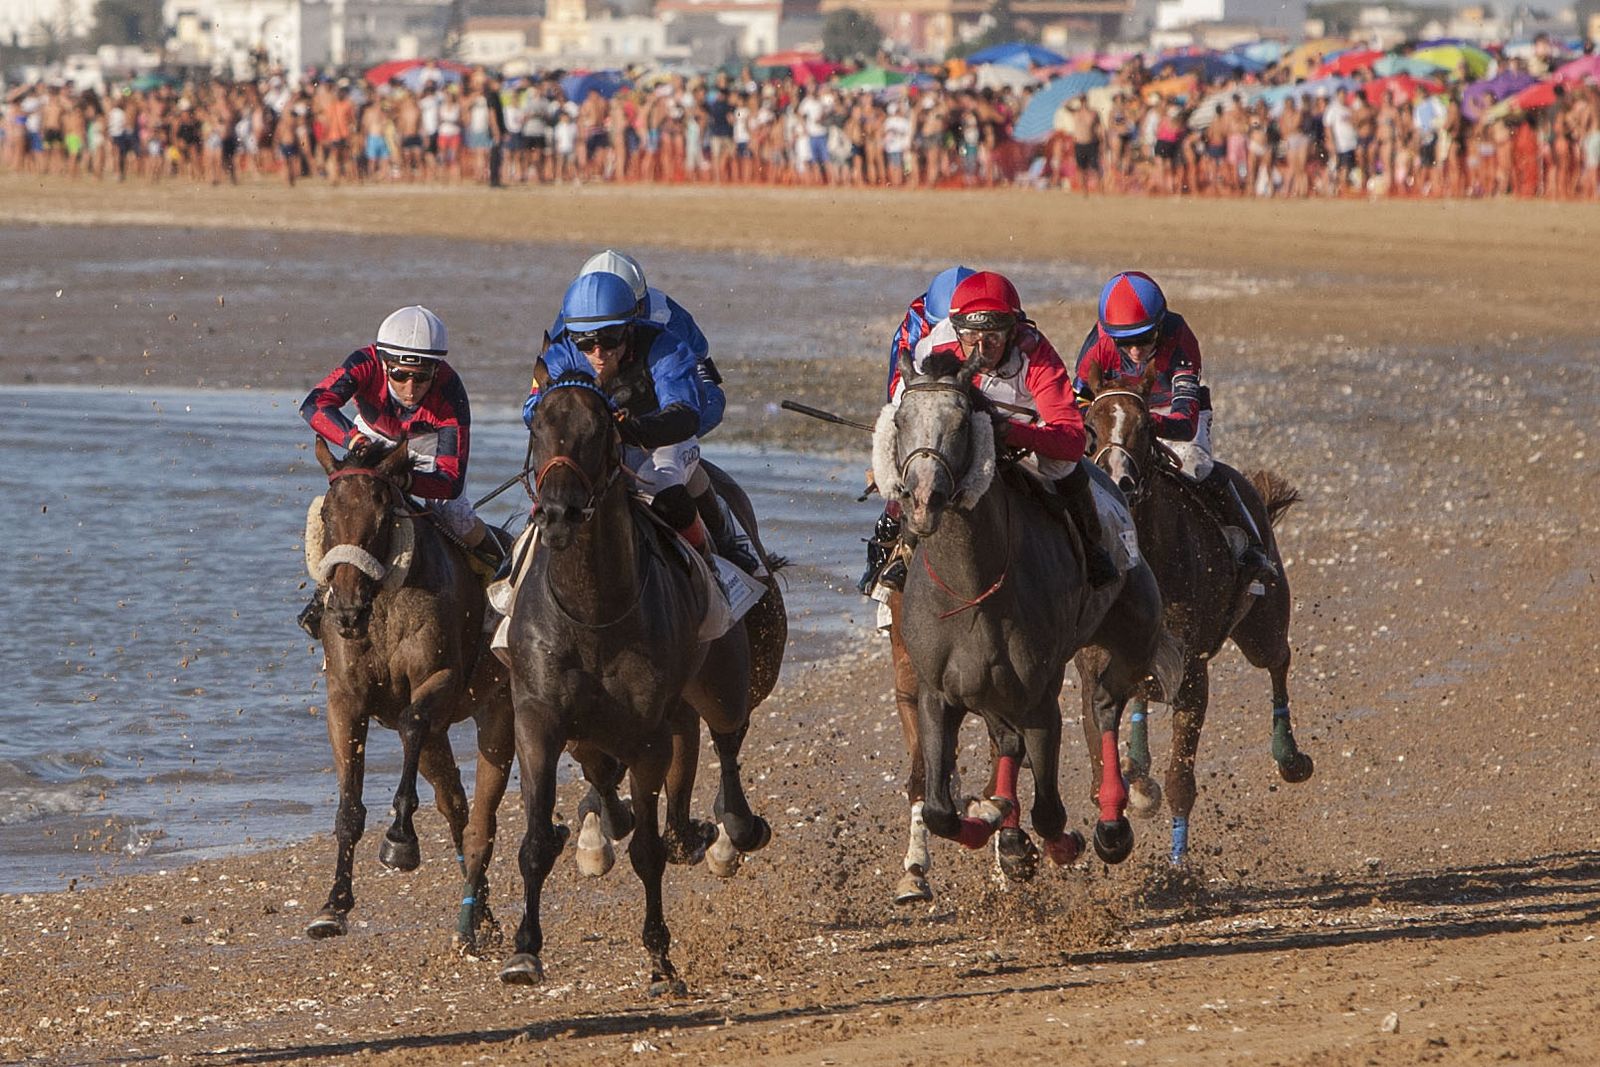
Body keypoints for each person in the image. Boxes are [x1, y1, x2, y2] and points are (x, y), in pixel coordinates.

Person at [297, 305, 502, 637]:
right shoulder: (364, 362)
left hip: (427, 444)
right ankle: (325, 594)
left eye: (421, 378)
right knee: (349, 508)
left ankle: (501, 577)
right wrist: (353, 438)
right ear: (383, 364)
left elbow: (450, 482)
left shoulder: (451, 392)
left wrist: (406, 480)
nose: (410, 388)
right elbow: (315, 404)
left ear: (436, 371)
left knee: (458, 519)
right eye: (399, 375)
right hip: (370, 434)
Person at [904, 270, 1118, 586]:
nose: (980, 348)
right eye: (971, 336)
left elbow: (1072, 441)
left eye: (993, 337)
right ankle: (891, 555)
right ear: (956, 329)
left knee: (1060, 464)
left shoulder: (1036, 355)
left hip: (1022, 431)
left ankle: (1091, 546)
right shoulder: (935, 346)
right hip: (957, 426)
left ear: (1012, 332)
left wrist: (1008, 432)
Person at [526, 273, 751, 570]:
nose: (598, 352)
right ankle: (509, 580)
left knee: (662, 486)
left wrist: (631, 429)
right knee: (552, 498)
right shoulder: (562, 353)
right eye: (586, 342)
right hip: (600, 441)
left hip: (663, 442)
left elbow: (684, 415)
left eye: (609, 339)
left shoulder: (666, 347)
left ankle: (711, 570)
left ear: (629, 327)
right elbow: (532, 412)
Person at [1074, 271, 1275, 584]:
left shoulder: (1180, 339)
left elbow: (1184, 423)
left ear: (1160, 325)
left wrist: (1142, 423)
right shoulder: (1096, 346)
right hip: (1117, 416)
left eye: (1145, 339)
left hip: (1169, 412)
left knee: (1198, 466)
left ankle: (1251, 547)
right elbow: (1078, 404)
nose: (1137, 351)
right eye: (1126, 343)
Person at [860, 265, 974, 595]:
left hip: (971, 403)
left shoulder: (991, 318)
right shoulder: (917, 318)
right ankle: (884, 565)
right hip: (924, 400)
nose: (948, 336)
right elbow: (901, 378)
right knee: (900, 494)